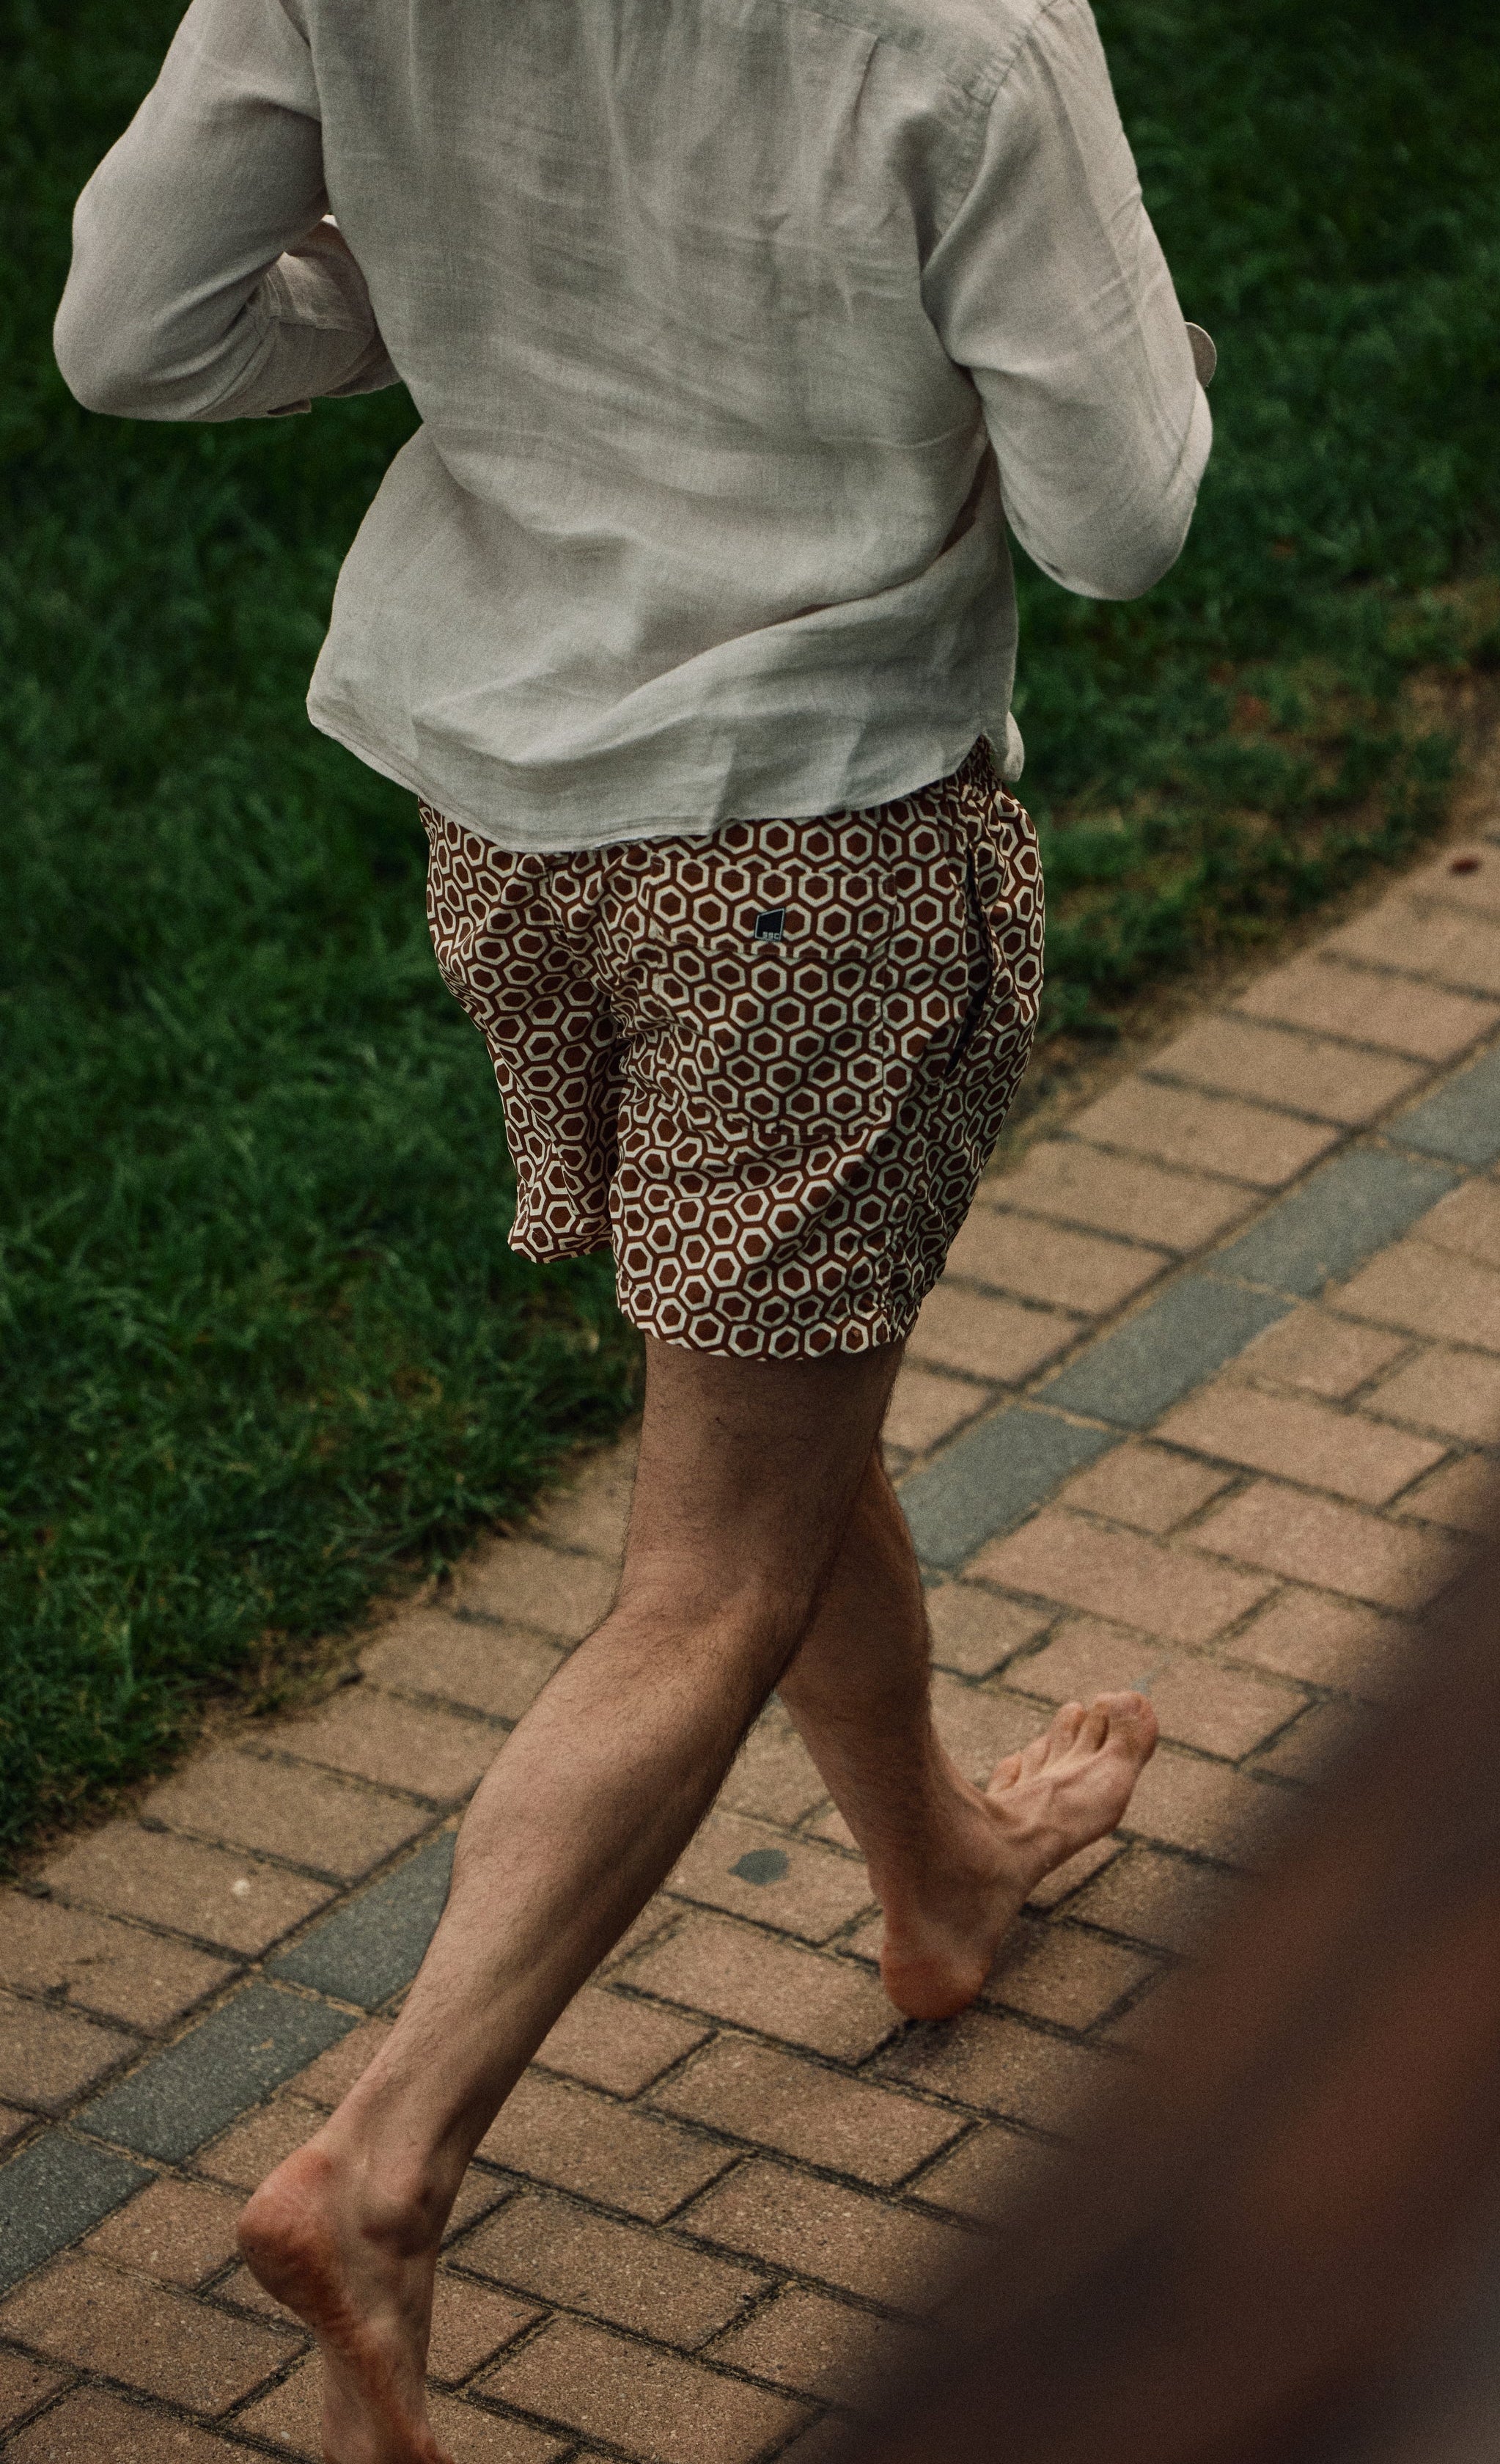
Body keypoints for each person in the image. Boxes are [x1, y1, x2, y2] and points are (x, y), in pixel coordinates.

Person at [54, 1, 1211, 2454]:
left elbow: (132, 337)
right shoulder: (967, 33)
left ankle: (944, 1880)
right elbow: (1122, 520)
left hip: (522, 829)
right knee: (705, 1571)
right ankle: (383, 2170)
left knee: (764, 1387)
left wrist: (459, 283)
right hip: (817, 847)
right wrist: (1149, 361)